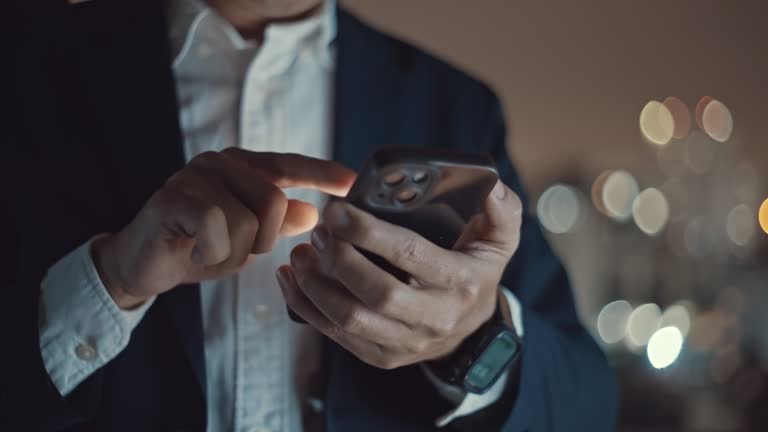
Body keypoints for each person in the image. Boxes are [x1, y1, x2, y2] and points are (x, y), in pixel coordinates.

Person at [1, 0, 617, 430]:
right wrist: (110, 281)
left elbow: (586, 404)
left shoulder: (454, 103)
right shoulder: (25, 71)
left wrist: (471, 336)